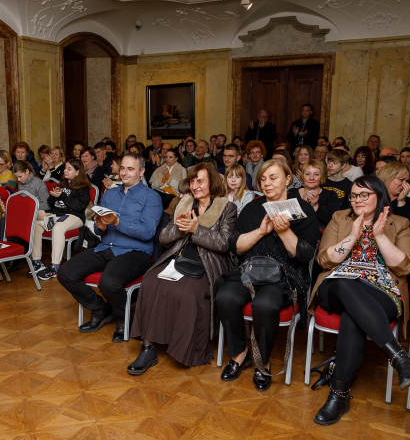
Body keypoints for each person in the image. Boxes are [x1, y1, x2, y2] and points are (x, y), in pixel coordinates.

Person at [309, 175, 410, 425]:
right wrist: (352, 236)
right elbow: (324, 260)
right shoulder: (340, 218)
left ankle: (338, 395)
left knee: (353, 316)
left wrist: (379, 236)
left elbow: (404, 267)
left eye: (364, 194)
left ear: (379, 196)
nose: (357, 199)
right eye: (353, 195)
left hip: (381, 291)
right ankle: (399, 357)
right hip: (336, 287)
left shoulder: (399, 223)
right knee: (345, 283)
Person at [215, 160, 319, 391]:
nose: (267, 183)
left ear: (288, 179)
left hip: (285, 276)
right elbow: (235, 247)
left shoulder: (302, 210)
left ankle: (263, 361)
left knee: (264, 304)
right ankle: (240, 354)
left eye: (273, 177)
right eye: (263, 179)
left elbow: (305, 255)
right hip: (250, 270)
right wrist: (261, 231)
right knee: (225, 297)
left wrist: (284, 231)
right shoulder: (253, 208)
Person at [128, 163, 237, 374]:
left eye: (201, 181)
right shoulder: (184, 203)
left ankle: (185, 349)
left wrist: (197, 229)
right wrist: (179, 228)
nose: (195, 186)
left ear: (212, 183)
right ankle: (148, 347)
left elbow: (224, 243)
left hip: (208, 262)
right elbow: (164, 238)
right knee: (150, 282)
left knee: (188, 291)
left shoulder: (226, 208)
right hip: (178, 258)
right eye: (193, 181)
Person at [57, 153, 163, 342]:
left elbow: (147, 232)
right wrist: (101, 227)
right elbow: (101, 230)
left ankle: (125, 318)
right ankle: (101, 308)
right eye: (122, 168)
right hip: (106, 247)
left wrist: (117, 222)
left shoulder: (151, 197)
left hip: (135, 253)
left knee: (108, 282)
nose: (124, 173)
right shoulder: (111, 194)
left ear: (141, 171)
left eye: (130, 169)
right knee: (65, 272)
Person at [30, 159, 92, 281]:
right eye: (65, 168)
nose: (65, 171)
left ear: (77, 172)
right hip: (57, 215)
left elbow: (79, 207)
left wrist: (63, 195)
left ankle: (55, 266)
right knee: (37, 225)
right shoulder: (62, 184)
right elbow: (50, 203)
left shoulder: (83, 188)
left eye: (69, 169)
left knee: (58, 227)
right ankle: (37, 262)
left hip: (74, 216)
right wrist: (54, 196)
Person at [292, 160, 340, 230]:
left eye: (316, 174)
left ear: (322, 177)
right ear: (302, 175)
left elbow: (334, 221)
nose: (311, 178)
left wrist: (315, 206)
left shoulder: (330, 195)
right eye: (307, 174)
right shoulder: (292, 193)